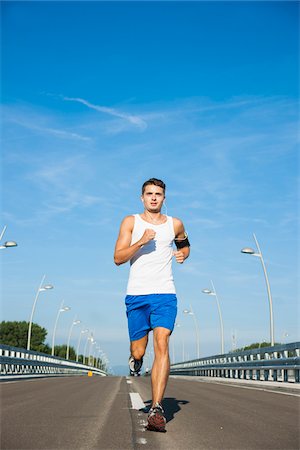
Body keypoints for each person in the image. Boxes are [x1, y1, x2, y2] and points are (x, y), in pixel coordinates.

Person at [114, 178, 190, 432]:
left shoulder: (174, 224)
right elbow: (117, 258)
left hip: (165, 294)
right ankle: (135, 359)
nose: (154, 198)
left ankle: (157, 407)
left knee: (162, 343)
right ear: (142, 198)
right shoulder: (131, 222)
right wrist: (141, 242)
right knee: (139, 351)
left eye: (158, 194)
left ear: (164, 198)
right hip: (137, 295)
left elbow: (184, 243)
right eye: (149, 194)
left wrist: (183, 254)